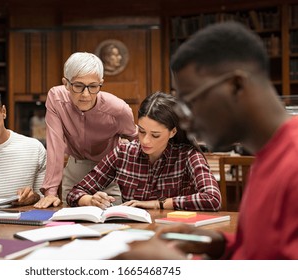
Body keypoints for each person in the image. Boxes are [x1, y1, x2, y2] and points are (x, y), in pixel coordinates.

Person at [115, 21, 298, 260]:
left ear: (236, 85)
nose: (185, 121)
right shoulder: (266, 157)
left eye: (190, 102)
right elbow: (261, 251)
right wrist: (218, 243)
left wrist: (179, 267)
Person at [66, 92, 221, 211]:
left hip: (172, 234)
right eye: (141, 131)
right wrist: (89, 200)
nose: (145, 141)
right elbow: (75, 192)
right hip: (132, 233)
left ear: (173, 132)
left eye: (155, 135)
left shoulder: (188, 156)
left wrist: (158, 204)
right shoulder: (123, 153)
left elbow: (213, 198)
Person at [34, 52, 137, 208]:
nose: (86, 95)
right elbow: (55, 145)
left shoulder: (119, 110)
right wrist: (50, 192)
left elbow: (137, 141)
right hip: (74, 170)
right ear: (66, 83)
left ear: (101, 83)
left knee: (111, 222)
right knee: (69, 223)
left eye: (93, 86)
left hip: (108, 172)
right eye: (78, 86)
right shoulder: (56, 98)